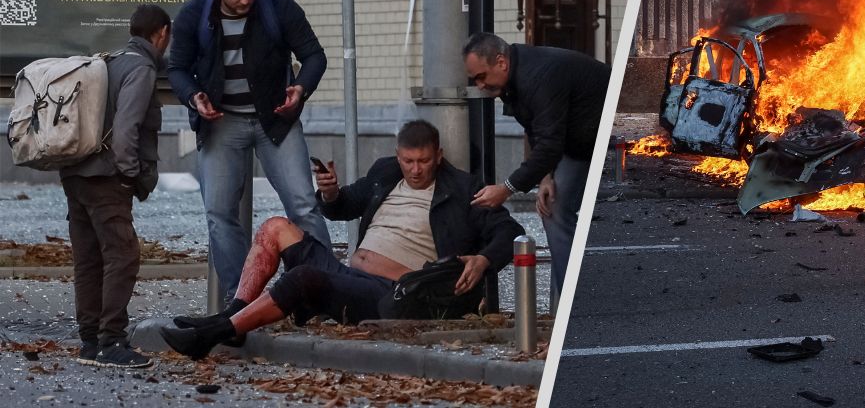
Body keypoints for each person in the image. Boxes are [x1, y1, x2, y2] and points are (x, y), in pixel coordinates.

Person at [160, 120, 524, 359]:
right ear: (398, 157)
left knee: (301, 279)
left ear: (438, 156)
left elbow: (509, 231)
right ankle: (232, 318)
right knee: (274, 226)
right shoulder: (386, 172)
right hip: (348, 274)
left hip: (390, 292)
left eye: (424, 161)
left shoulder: (463, 189)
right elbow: (344, 206)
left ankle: (215, 333)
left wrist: (483, 260)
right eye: (408, 161)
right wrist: (331, 193)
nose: (415, 170)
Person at [168, 0, 331, 302]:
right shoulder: (194, 13)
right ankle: (239, 300)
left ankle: (325, 290)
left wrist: (301, 89)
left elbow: (314, 55)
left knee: (303, 204)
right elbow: (177, 69)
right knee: (219, 211)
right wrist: (195, 96)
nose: (244, 1)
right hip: (221, 123)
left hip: (276, 120)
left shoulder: (277, 5)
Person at [61, 4, 172, 368]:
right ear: (162, 34)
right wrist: (128, 175)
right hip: (106, 178)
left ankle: (90, 342)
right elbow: (126, 131)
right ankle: (112, 341)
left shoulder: (107, 61)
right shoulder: (140, 68)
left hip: (76, 173)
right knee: (122, 255)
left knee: (89, 259)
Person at [462, 32, 608, 294]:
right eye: (474, 79)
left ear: (501, 62)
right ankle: (563, 297)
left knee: (558, 209)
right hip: (576, 140)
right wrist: (545, 177)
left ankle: (570, 296)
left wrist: (507, 188)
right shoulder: (514, 79)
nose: (480, 85)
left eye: (481, 76)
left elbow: (549, 144)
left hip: (598, 136)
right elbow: (537, 130)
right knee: (553, 206)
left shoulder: (538, 76)